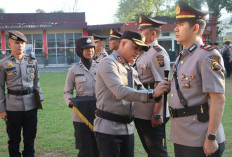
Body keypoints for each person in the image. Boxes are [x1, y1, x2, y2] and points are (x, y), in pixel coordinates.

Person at [94, 30, 170, 157]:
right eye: (134, 48)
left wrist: (158, 91)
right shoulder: (108, 63)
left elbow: (140, 90)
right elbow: (120, 91)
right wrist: (152, 94)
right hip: (108, 129)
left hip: (127, 129)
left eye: (140, 50)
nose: (137, 53)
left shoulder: (130, 68)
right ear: (123, 43)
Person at [169, 1, 225, 157]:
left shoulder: (207, 56)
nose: (175, 28)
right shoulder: (183, 56)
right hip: (182, 134)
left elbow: (218, 99)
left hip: (200, 137)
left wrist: (211, 137)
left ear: (195, 28)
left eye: (180, 24)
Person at [0, 30, 44, 157]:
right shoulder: (3, 64)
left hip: (31, 106)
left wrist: (40, 101)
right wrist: (2, 109)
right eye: (17, 43)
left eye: (22, 43)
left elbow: (36, 82)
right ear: (9, 44)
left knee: (30, 140)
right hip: (13, 107)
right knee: (14, 140)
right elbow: (0, 87)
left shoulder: (33, 61)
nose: (20, 46)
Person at [135, 14, 170, 157]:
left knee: (157, 152)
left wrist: (157, 113)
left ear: (153, 33)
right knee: (150, 150)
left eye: (142, 31)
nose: (139, 34)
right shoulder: (142, 52)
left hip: (152, 112)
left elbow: (162, 85)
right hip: (141, 110)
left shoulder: (157, 53)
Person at [64, 37, 98, 157]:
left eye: (91, 48)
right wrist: (70, 101)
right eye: (86, 49)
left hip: (99, 114)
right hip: (81, 115)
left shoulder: (101, 67)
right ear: (79, 51)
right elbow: (67, 92)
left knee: (100, 147)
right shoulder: (73, 70)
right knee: (85, 149)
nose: (90, 51)